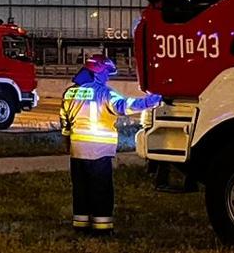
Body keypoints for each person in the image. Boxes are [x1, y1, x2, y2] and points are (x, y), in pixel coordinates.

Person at [59, 55, 162, 234]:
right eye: (106, 73)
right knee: (101, 190)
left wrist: (68, 141)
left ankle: (80, 226)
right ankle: (102, 228)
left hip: (77, 151)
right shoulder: (105, 93)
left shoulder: (70, 93)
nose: (108, 77)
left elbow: (64, 120)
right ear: (97, 72)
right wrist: (152, 100)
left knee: (81, 189)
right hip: (98, 151)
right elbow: (125, 106)